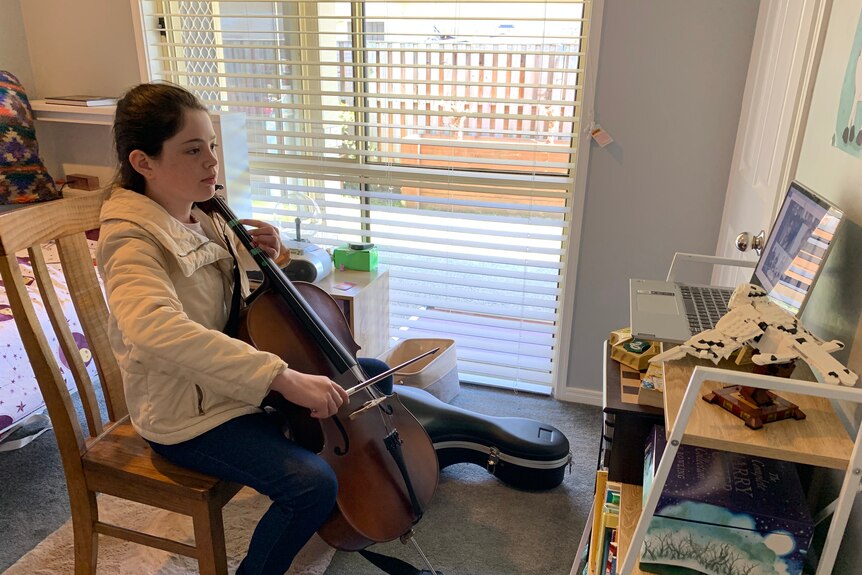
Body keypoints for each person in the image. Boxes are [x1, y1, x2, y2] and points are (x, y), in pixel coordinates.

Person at [96, 82, 388, 574]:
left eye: (211, 145)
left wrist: (273, 257)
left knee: (370, 373)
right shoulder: (129, 239)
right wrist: (285, 379)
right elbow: (155, 327)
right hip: (188, 413)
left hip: (230, 385)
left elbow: (230, 305)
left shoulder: (201, 214)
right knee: (308, 483)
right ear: (143, 162)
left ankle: (345, 493)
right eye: (193, 150)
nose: (212, 161)